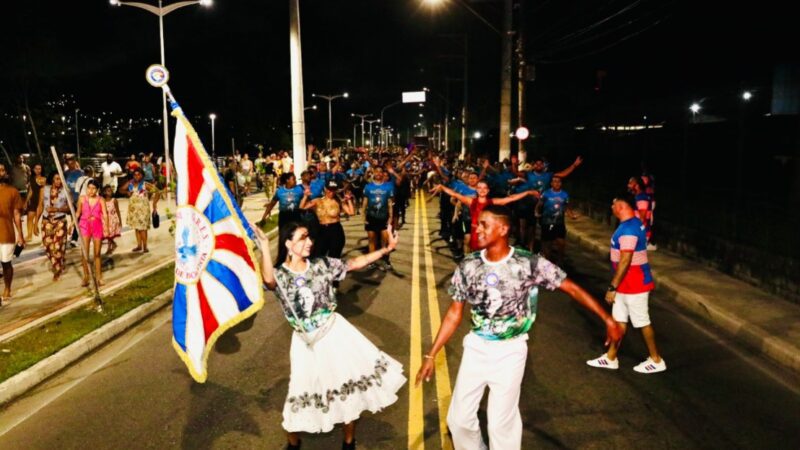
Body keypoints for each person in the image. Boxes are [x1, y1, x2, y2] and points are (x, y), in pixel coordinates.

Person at [416, 205, 622, 450]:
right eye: (478, 224)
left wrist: (607, 319)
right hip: (476, 347)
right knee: (458, 420)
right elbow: (453, 313)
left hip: (510, 351)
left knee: (500, 425)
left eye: (484, 224)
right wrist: (431, 353)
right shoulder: (468, 265)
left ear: (503, 229)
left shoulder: (527, 262)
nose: (477, 229)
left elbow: (571, 287)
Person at [256, 221, 406, 450]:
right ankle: (293, 443)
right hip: (305, 342)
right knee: (301, 390)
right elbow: (268, 280)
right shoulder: (281, 276)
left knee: (346, 387)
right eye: (303, 238)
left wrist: (386, 249)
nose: (310, 242)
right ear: (288, 243)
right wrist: (265, 247)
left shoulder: (322, 264)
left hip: (335, 335)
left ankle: (349, 442)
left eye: (309, 237)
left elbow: (355, 263)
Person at [586, 194, 666, 374]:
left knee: (642, 322)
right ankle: (611, 357)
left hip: (635, 284)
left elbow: (625, 260)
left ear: (621, 207)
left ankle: (656, 359)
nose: (611, 209)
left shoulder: (629, 229)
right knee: (619, 320)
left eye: (613, 206)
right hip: (626, 283)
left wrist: (612, 287)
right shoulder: (632, 223)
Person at [432, 179, 539, 252]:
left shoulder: (493, 202)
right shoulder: (471, 201)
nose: (482, 190)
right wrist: (442, 186)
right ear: (477, 189)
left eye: (485, 188)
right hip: (475, 233)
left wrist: (527, 192)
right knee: (475, 255)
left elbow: (510, 198)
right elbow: (455, 194)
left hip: (489, 234)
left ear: (488, 190)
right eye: (480, 188)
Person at [300, 180, 355, 258]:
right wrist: (305, 196)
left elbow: (351, 212)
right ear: (325, 189)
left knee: (334, 255)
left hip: (335, 230)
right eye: (329, 190)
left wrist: (349, 200)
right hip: (322, 230)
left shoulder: (338, 201)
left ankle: (334, 269)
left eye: (333, 190)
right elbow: (302, 207)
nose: (331, 192)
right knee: (318, 255)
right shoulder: (317, 201)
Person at [0, 163, 25, 305]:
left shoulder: (13, 192)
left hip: (6, 233)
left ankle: (8, 288)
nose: (0, 173)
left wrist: (20, 235)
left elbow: (16, 214)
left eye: (2, 170)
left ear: (6, 173)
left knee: (6, 263)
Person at [75, 179, 108, 287]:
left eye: (93, 188)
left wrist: (106, 228)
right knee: (85, 253)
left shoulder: (101, 199)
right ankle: (86, 276)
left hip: (97, 225)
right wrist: (72, 224)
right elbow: (78, 213)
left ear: (97, 190)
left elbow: (105, 214)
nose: (91, 191)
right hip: (84, 225)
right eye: (89, 188)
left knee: (97, 253)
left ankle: (99, 277)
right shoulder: (82, 199)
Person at [362, 166, 394, 271]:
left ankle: (385, 259)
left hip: (383, 218)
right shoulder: (368, 187)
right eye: (377, 171)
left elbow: (390, 203)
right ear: (373, 173)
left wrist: (390, 217)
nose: (379, 173)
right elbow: (365, 203)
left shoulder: (388, 187)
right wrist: (363, 217)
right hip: (371, 217)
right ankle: (371, 261)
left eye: (381, 172)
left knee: (385, 239)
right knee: (372, 240)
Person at [41, 173, 70, 281]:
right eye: (57, 179)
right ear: (52, 180)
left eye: (61, 179)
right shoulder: (45, 189)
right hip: (46, 220)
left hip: (60, 221)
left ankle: (57, 269)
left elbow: (69, 208)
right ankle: (59, 261)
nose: (59, 181)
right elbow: (40, 205)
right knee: (48, 246)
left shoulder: (65, 191)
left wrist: (57, 210)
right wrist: (35, 224)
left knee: (57, 246)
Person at [535, 175, 570, 264]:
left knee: (561, 243)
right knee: (547, 244)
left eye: (559, 181)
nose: (557, 183)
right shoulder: (546, 193)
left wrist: (571, 214)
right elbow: (539, 204)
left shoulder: (565, 194)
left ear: (561, 183)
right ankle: (547, 262)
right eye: (554, 181)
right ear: (551, 183)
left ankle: (560, 262)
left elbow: (566, 207)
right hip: (547, 222)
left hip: (559, 223)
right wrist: (536, 212)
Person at [126, 168, 155, 253]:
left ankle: (145, 246)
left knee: (143, 228)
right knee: (137, 228)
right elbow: (121, 189)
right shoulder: (130, 183)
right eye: (135, 174)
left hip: (143, 210)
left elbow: (157, 191)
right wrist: (127, 193)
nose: (137, 176)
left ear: (142, 175)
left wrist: (154, 203)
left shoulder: (145, 184)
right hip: (133, 210)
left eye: (139, 174)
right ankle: (139, 246)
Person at [24, 163, 46, 242]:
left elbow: (43, 193)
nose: (37, 170)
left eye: (39, 169)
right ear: (33, 170)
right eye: (36, 168)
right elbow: (30, 191)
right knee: (29, 218)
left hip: (41, 200)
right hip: (33, 200)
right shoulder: (31, 178)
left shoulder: (43, 179)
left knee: (36, 218)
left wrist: (41, 203)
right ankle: (29, 235)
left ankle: (35, 228)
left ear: (41, 170)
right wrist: (26, 202)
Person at [101, 185, 122, 255]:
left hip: (112, 220)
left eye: (110, 191)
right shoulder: (102, 200)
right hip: (105, 220)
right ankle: (113, 244)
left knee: (110, 234)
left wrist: (120, 221)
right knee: (106, 234)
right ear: (104, 192)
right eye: (108, 191)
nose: (109, 192)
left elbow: (118, 211)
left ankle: (109, 248)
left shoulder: (114, 200)